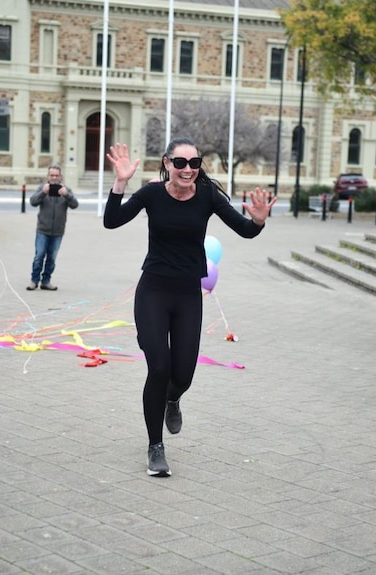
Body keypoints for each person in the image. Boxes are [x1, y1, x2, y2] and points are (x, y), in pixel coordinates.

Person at [103, 139, 276, 477]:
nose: (187, 169)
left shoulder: (207, 195)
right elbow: (112, 221)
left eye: (194, 163)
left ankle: (173, 398)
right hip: (153, 291)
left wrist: (257, 221)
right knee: (159, 368)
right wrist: (120, 183)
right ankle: (155, 447)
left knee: (182, 375)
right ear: (166, 163)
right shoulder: (151, 194)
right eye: (180, 163)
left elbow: (244, 229)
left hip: (187, 296)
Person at [26, 163, 79, 291]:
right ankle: (34, 280)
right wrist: (43, 193)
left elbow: (75, 205)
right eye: (52, 175)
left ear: (61, 177)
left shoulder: (66, 190)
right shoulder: (43, 188)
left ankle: (46, 281)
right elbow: (33, 202)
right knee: (39, 255)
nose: (54, 178)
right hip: (42, 230)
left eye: (57, 175)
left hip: (58, 231)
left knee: (51, 257)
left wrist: (67, 195)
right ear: (48, 176)